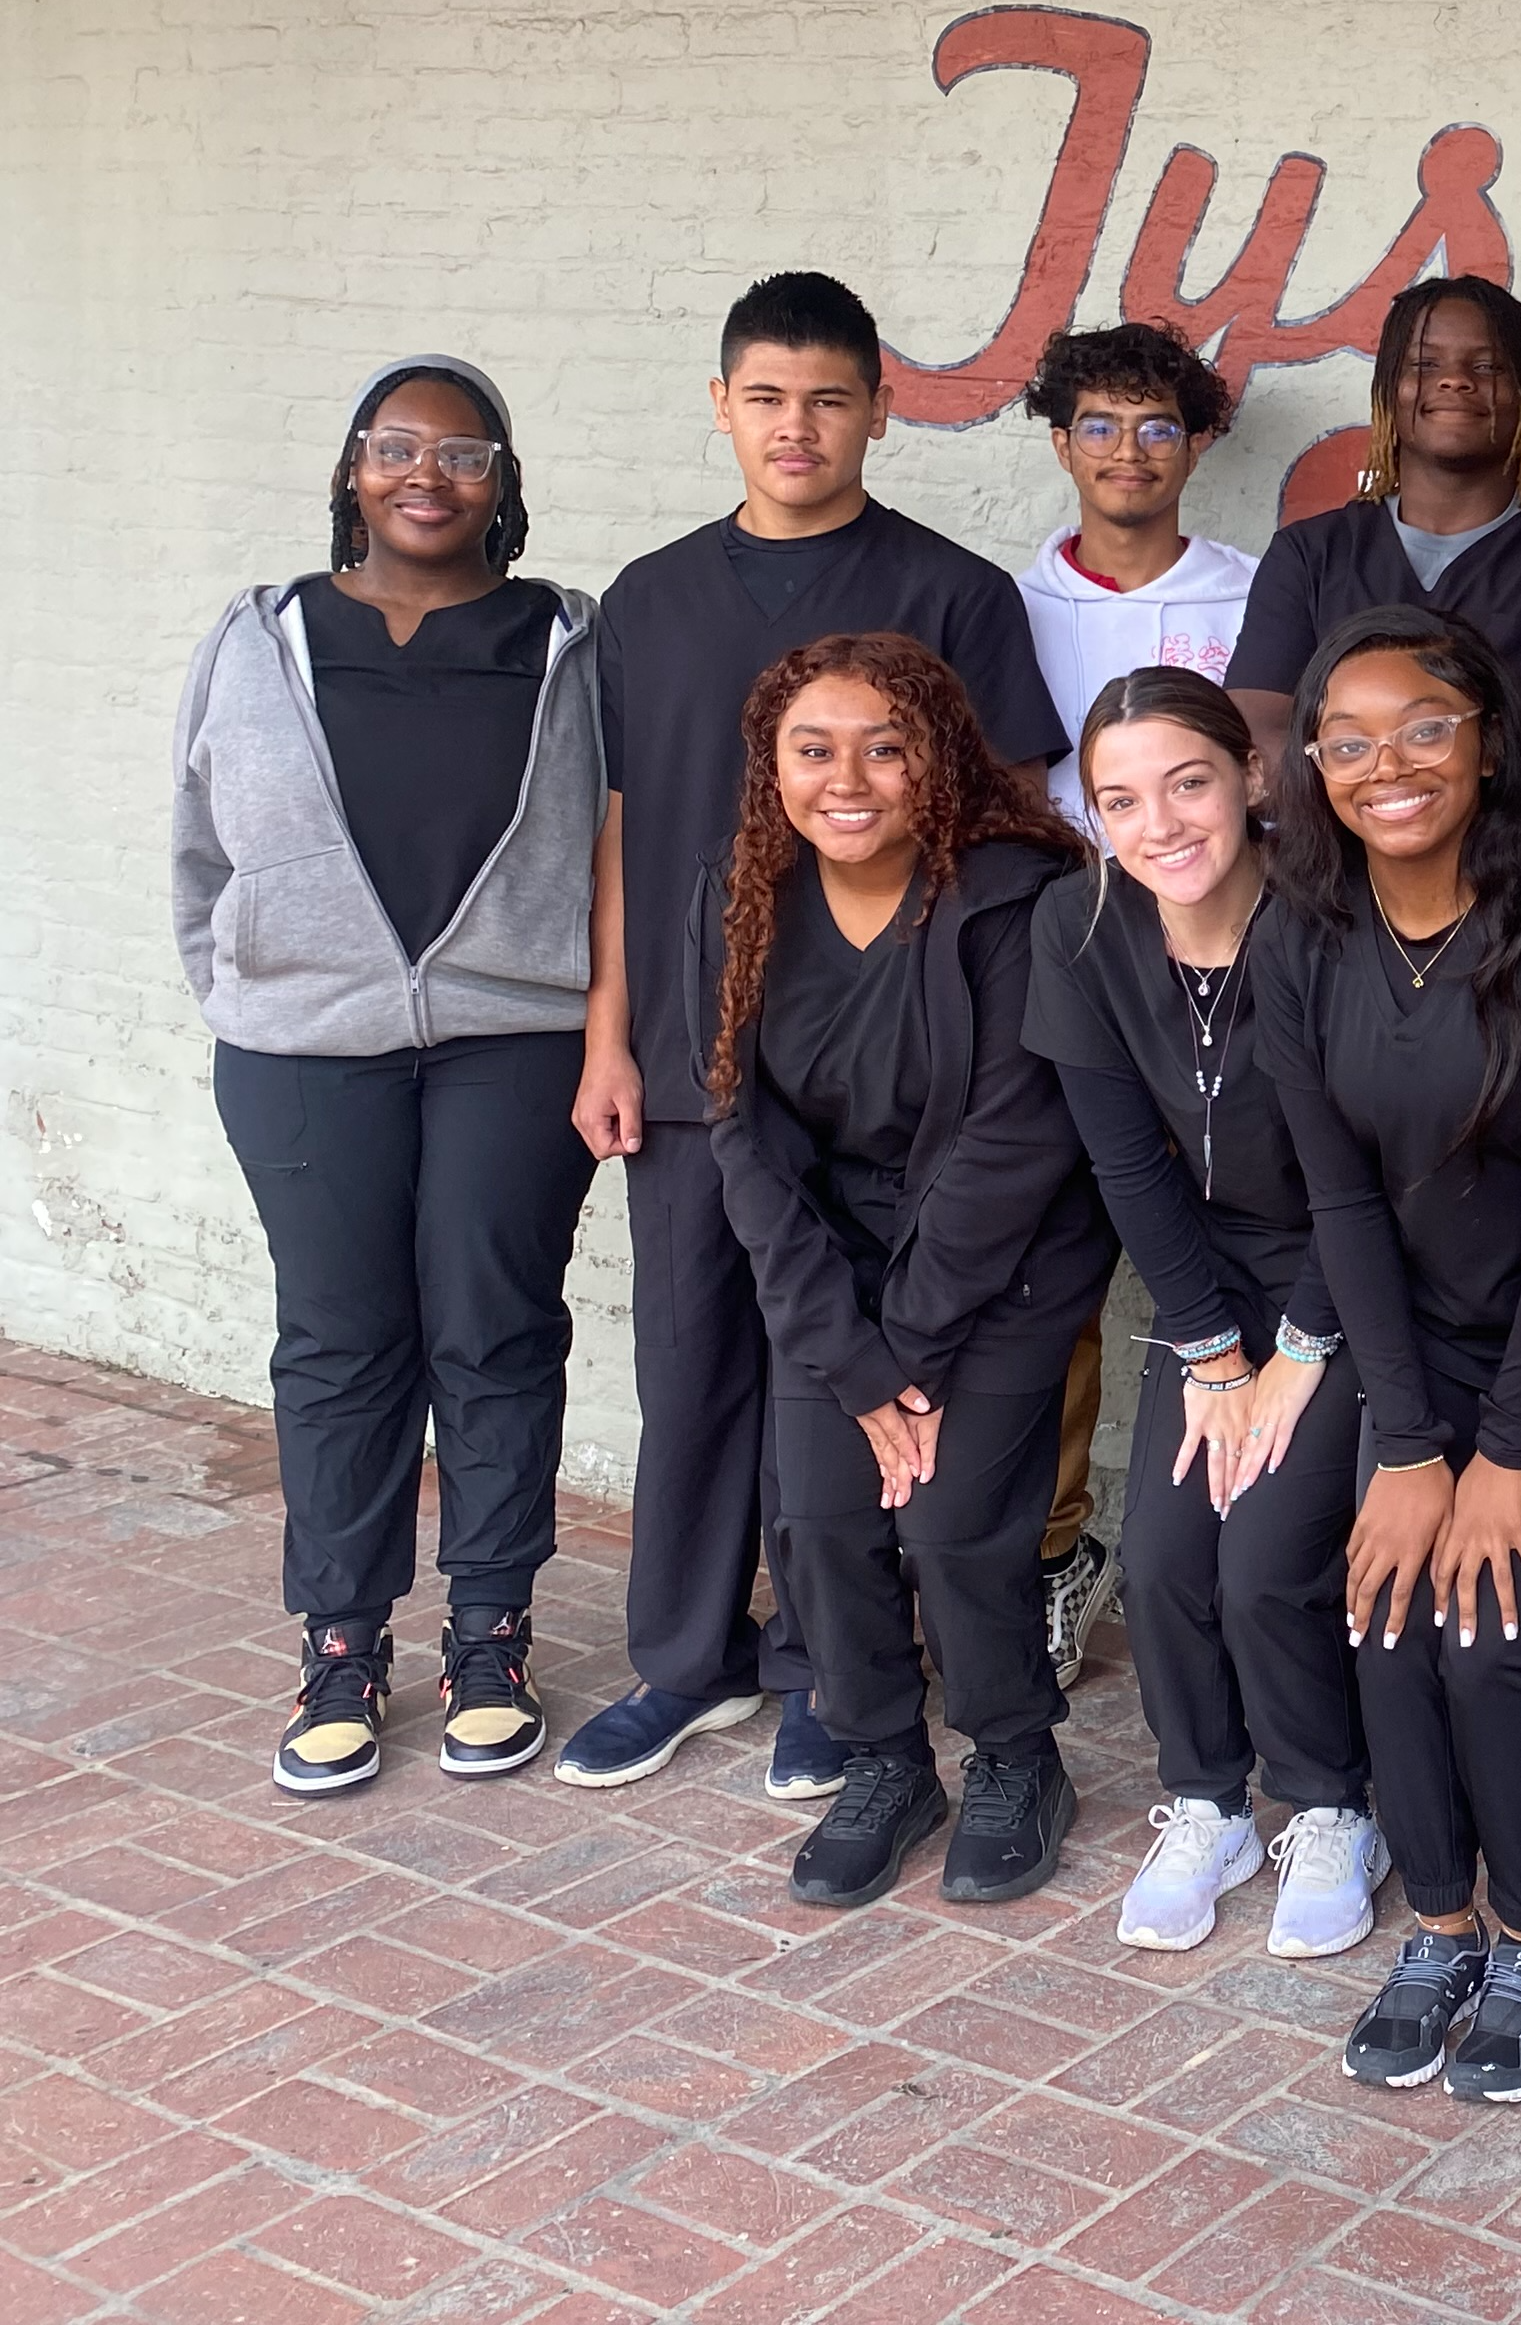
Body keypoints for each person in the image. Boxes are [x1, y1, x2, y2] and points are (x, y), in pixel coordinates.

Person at [560, 273, 1068, 1800]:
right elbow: (620, 826)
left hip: (880, 1070)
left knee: (826, 1356)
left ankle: (822, 1678)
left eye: (830, 399)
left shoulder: (952, 592)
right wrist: (608, 1028)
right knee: (696, 1357)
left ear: (881, 410)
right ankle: (688, 1661)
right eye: (767, 397)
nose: (798, 427)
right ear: (721, 407)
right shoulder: (648, 597)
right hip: (687, 1046)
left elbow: (1015, 819)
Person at [1260, 607, 1521, 2101]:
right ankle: (1437, 1922)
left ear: (1488, 741)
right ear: (1313, 765)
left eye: (1426, 727)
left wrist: (1498, 1462)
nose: (1392, 764)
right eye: (1352, 739)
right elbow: (1340, 1200)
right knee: (1383, 1598)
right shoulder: (1300, 937)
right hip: (1420, 1335)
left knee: (1494, 1628)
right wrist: (1406, 1445)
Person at [172, 355, 605, 1797]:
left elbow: (614, 848)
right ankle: (343, 1644)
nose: (429, 473)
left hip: (513, 1035)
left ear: (505, 482)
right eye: (397, 445)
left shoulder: (568, 637)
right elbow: (200, 843)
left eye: (465, 451)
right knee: (340, 1344)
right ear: (354, 468)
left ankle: (489, 1630)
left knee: (492, 1329)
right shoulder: (259, 634)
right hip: (302, 1050)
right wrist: (249, 988)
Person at [698, 633, 1113, 1908]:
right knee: (819, 1517)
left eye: (887, 745)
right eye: (814, 749)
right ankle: (885, 1755)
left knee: (950, 1524)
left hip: (1002, 1264)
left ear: (937, 757)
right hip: (839, 1273)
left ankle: (1012, 1754)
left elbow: (1013, 1144)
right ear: (772, 769)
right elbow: (742, 1135)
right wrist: (852, 1354)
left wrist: (906, 1356)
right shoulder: (750, 890)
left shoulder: (1012, 895)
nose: (850, 778)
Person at [1025, 667, 1390, 1962]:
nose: (1161, 824)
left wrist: (1297, 1348)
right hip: (1209, 1291)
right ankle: (1204, 1802)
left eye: (1187, 782)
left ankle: (1335, 1805)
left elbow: (1370, 1168)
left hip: (1349, 1272)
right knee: (1170, 1552)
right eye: (1119, 799)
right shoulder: (1079, 930)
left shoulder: (1332, 921)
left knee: (1265, 1553)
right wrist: (1211, 1354)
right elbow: (1126, 1165)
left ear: (1250, 775)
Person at [1012, 319, 1258, 1695]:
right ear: (1059, 441)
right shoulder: (1011, 602)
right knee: (1059, 1268)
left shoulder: (1255, 590)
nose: (1128, 451)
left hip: (1223, 965)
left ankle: (1234, 1553)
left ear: (1199, 444)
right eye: (1099, 425)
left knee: (1218, 1238)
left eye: (1158, 425)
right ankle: (1058, 1552)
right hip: (1076, 959)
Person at [1224, 275, 1521, 753]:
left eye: (1488, 366)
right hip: (1333, 820)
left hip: (1513, 829)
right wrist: (1369, 803)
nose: (1455, 379)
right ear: (1387, 391)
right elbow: (1261, 726)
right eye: (1424, 364)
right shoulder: (1310, 553)